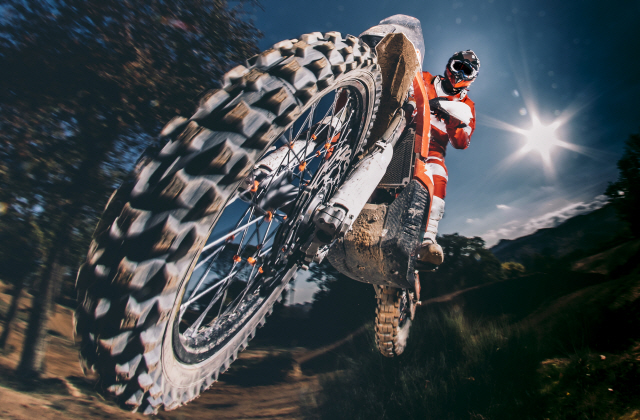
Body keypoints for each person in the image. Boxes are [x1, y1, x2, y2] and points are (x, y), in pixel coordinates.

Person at [416, 50, 480, 266]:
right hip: (402, 130)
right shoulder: (425, 78)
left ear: (472, 76)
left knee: (439, 175)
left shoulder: (467, 106)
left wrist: (454, 119)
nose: (460, 73)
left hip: (430, 149)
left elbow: (461, 142)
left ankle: (427, 240)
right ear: (449, 65)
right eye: (457, 66)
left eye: (467, 69)